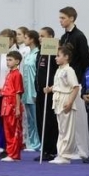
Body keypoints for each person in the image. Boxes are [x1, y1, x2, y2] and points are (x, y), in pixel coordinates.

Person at [58, 6, 89, 162]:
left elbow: (86, 60)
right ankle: (69, 148)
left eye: (63, 18)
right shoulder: (63, 37)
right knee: (67, 119)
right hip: (64, 83)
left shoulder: (79, 36)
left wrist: (82, 81)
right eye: (60, 18)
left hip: (76, 82)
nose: (60, 21)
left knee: (79, 119)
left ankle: (83, 150)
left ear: (71, 18)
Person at [45, 45, 80, 165]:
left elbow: (75, 87)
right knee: (61, 129)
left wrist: (70, 102)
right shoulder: (59, 70)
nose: (56, 58)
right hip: (58, 99)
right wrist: (50, 89)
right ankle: (61, 153)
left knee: (67, 129)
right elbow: (59, 85)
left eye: (58, 56)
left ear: (66, 57)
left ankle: (66, 154)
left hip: (66, 98)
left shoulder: (69, 70)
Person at [35, 27, 59, 162]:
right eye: (39, 36)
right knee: (40, 121)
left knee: (50, 121)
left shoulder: (54, 53)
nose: (40, 38)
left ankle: (52, 150)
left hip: (50, 93)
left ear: (50, 37)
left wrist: (51, 87)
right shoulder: (40, 52)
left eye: (42, 36)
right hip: (40, 92)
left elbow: (56, 72)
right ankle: (44, 148)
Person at [0, 51, 24, 162]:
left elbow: (18, 92)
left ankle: (14, 154)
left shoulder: (17, 74)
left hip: (12, 104)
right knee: (7, 129)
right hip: (5, 103)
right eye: (7, 60)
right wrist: (1, 90)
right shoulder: (9, 73)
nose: (8, 62)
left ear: (17, 61)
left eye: (10, 60)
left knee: (14, 129)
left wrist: (17, 108)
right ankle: (10, 152)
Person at [22, 30, 41, 152]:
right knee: (30, 119)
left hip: (33, 90)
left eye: (26, 37)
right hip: (26, 90)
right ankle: (32, 143)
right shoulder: (28, 54)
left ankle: (38, 143)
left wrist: (36, 91)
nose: (24, 40)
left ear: (32, 39)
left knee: (36, 118)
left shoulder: (37, 54)